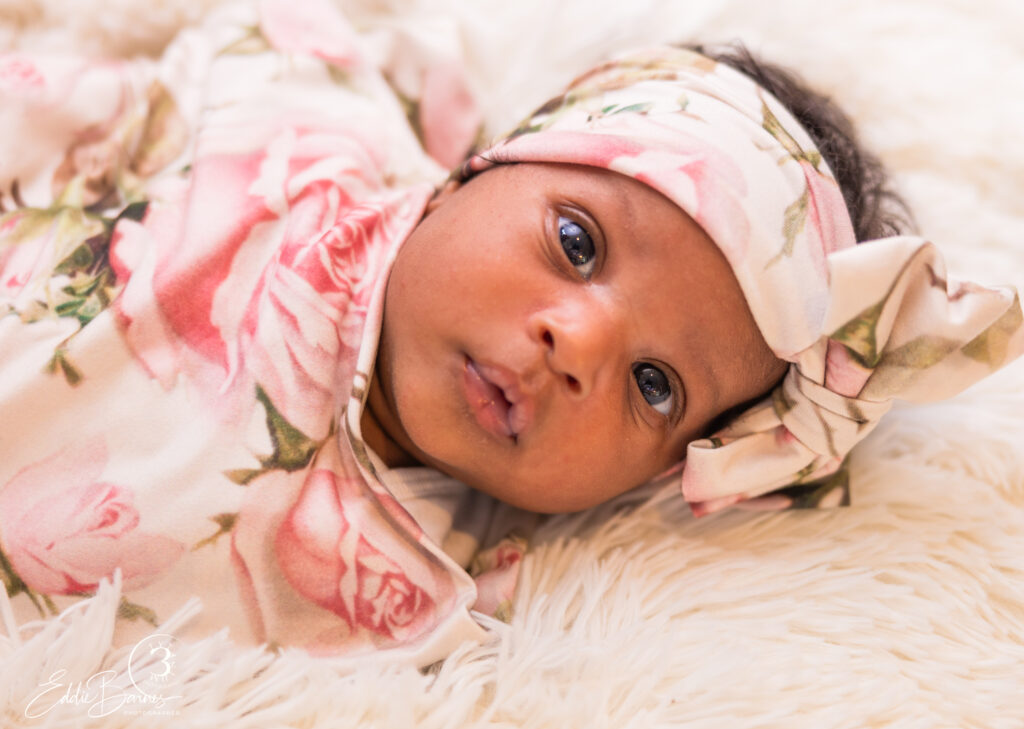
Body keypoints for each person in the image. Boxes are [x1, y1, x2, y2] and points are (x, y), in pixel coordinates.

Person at [1, 0, 1020, 671]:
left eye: (655, 385)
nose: (576, 344)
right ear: (475, 171)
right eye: (574, 241)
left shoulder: (435, 612)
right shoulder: (296, 128)